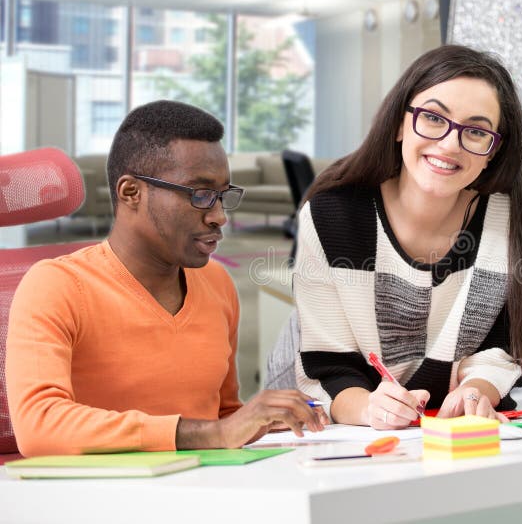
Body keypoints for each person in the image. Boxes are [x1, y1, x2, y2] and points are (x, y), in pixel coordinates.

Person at [6, 100, 326, 457]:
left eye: (222, 196)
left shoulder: (217, 283)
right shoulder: (55, 286)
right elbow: (39, 426)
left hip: (203, 490)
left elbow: (222, 417)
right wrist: (211, 433)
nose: (220, 216)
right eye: (200, 194)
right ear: (131, 193)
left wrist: (266, 422)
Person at [292, 45, 522, 430]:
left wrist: (476, 391)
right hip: (348, 429)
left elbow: (503, 349)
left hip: (450, 433)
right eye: (433, 118)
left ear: (493, 150)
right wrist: (372, 409)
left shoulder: (514, 219)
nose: (450, 144)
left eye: (475, 131)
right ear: (399, 124)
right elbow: (328, 368)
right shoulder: (333, 215)